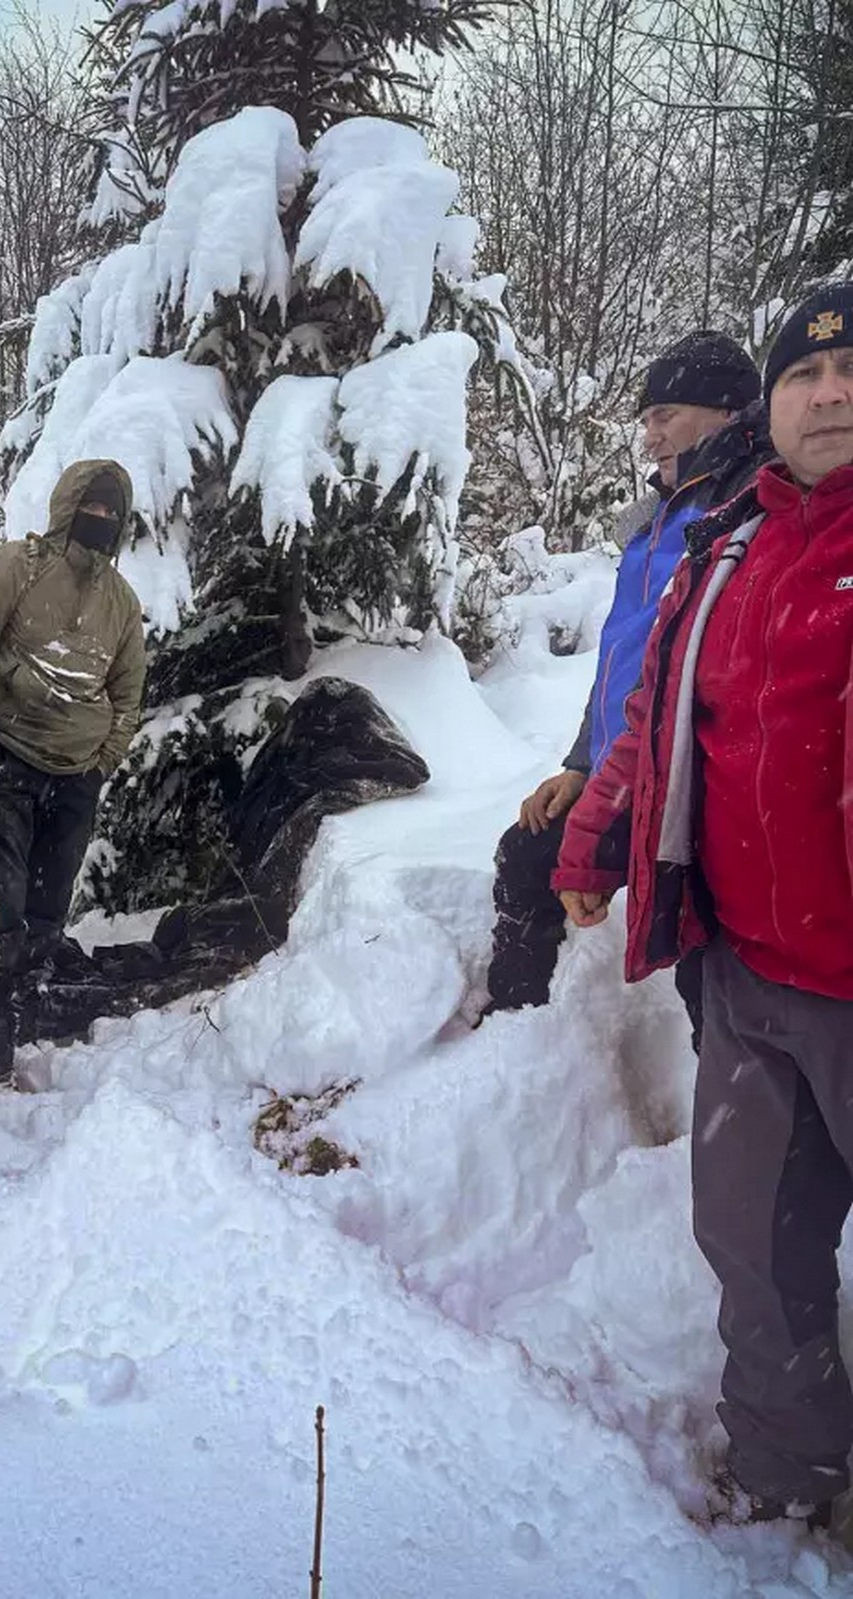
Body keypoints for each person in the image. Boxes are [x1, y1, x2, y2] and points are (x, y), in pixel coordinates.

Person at [553, 283, 853, 1528]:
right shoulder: (726, 543)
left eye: (850, 375)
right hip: (743, 979)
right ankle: (792, 1471)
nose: (829, 394)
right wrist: (592, 840)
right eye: (804, 377)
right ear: (769, 408)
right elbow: (651, 715)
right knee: (754, 1246)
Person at [481, 330, 768, 1043]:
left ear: (728, 412)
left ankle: (731, 1119)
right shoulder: (655, 523)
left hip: (695, 788)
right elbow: (622, 658)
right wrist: (583, 765)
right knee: (526, 854)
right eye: (646, 419)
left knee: (718, 971)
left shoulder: (751, 508)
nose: (649, 436)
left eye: (665, 413)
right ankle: (516, 1040)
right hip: (624, 768)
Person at [0, 458, 146, 1090]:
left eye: (112, 513)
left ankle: (22, 1006)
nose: (101, 520)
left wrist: (103, 759)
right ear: (68, 507)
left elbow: (128, 694)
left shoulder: (122, 602)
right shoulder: (17, 565)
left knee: (48, 907)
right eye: (91, 508)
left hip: (75, 778)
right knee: (1, 905)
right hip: (6, 761)